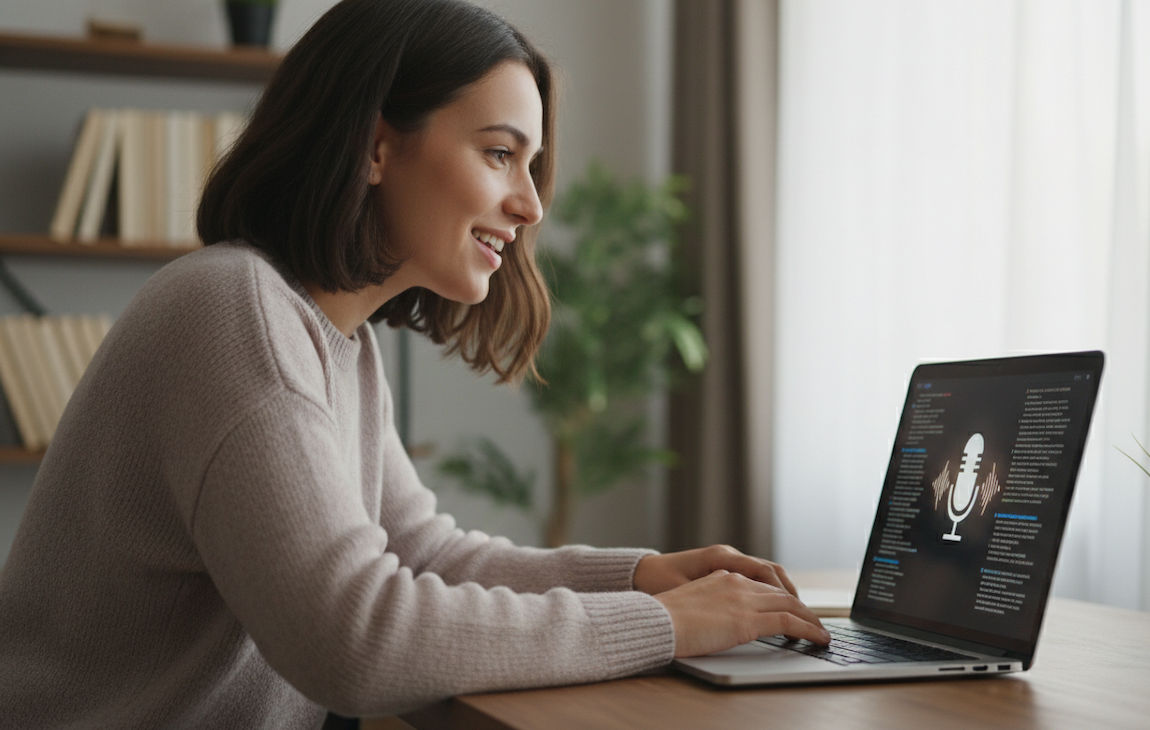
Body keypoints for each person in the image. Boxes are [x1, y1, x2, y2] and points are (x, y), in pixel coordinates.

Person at [0, 0, 828, 726]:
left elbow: (423, 553)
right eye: (501, 154)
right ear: (375, 148)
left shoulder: (338, 339)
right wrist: (669, 627)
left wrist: (642, 578)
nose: (532, 204)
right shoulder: (234, 311)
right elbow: (356, 640)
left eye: (531, 166)